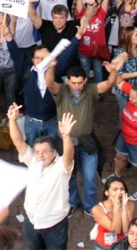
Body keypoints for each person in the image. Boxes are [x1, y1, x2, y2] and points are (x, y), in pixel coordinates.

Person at [46, 54, 126, 216]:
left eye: (80, 82)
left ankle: (90, 206)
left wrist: (114, 71)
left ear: (85, 81)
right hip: (66, 142)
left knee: (90, 177)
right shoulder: (61, 91)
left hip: (87, 140)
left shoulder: (91, 91)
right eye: (73, 83)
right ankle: (73, 202)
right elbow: (49, 84)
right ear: (67, 81)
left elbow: (110, 83)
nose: (77, 86)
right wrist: (51, 66)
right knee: (69, 176)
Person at [7, 104, 76, 250]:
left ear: (54, 152)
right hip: (31, 222)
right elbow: (18, 142)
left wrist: (66, 136)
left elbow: (69, 155)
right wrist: (12, 120)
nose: (40, 155)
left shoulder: (61, 167)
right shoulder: (32, 160)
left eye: (44, 152)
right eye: (37, 152)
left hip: (55, 225)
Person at [90, 176, 135, 249]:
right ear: (106, 192)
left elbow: (126, 229)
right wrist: (116, 208)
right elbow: (115, 230)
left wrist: (124, 208)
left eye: (122, 189)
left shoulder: (130, 205)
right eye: (115, 190)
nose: (119, 192)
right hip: (103, 246)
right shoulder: (98, 209)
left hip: (123, 244)